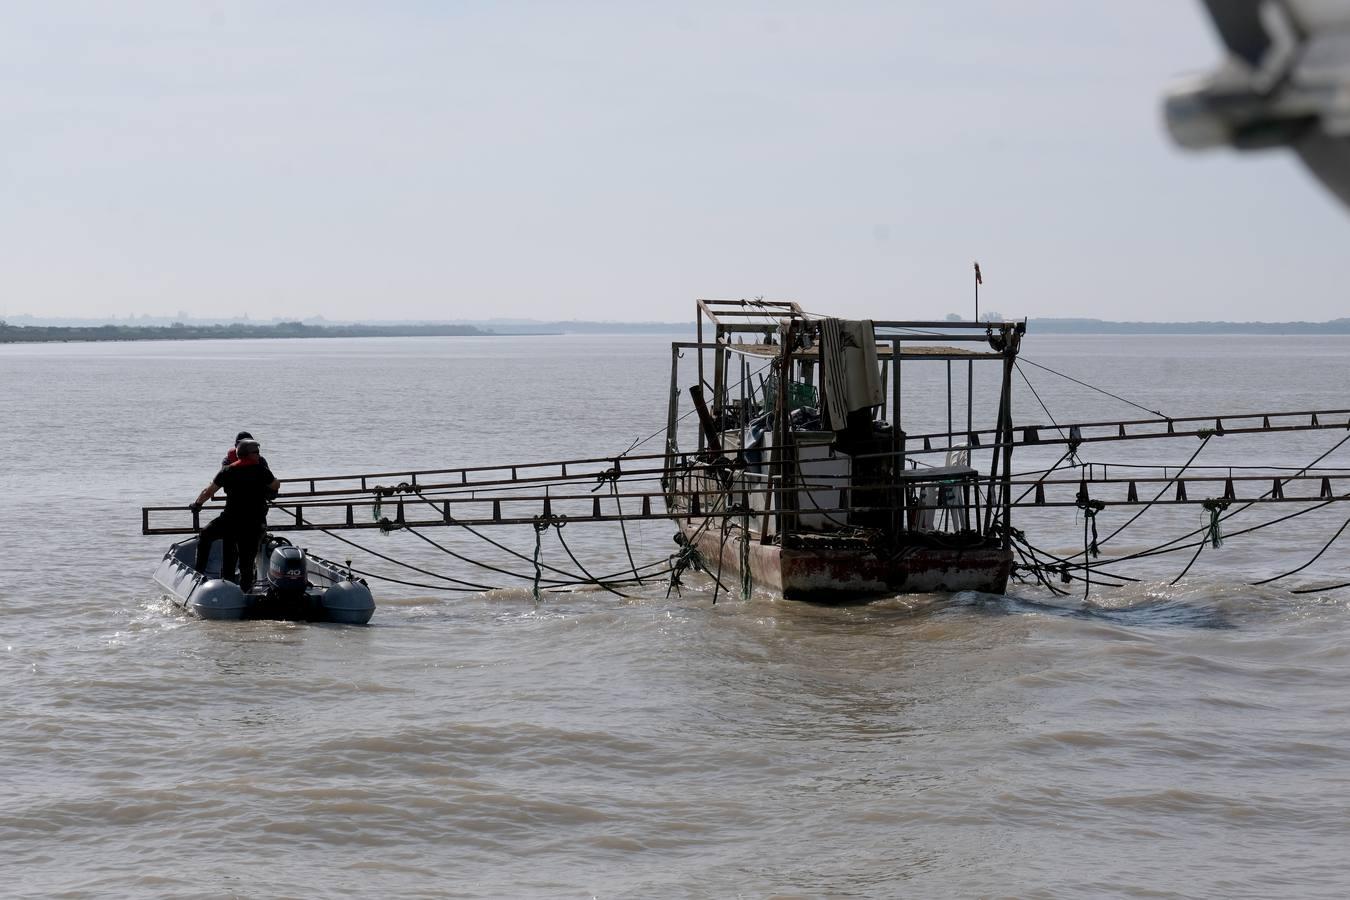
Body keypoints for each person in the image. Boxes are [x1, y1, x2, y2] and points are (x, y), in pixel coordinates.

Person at [191, 439, 279, 591]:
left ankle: (198, 574)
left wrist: (197, 504)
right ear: (247, 454)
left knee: (205, 535)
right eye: (256, 452)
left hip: (230, 520)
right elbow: (275, 485)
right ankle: (246, 593)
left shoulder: (227, 471)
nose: (259, 455)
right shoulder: (262, 470)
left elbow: (209, 491)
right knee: (247, 561)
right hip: (254, 523)